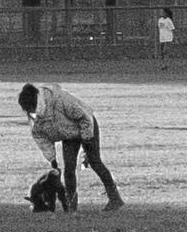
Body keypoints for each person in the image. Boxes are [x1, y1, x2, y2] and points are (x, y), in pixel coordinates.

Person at [18, 80, 123, 209]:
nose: (30, 112)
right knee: (69, 168)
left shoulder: (60, 100)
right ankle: (71, 205)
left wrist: (87, 138)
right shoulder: (37, 118)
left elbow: (84, 117)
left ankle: (115, 198)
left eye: (29, 108)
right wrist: (52, 159)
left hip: (87, 125)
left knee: (95, 162)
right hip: (69, 135)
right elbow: (41, 138)